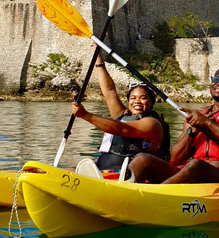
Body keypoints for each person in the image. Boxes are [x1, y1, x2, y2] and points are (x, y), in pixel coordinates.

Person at [129, 64, 219, 184]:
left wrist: (209, 124)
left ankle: (156, 196)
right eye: (215, 80)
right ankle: (127, 194)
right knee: (142, 159)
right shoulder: (196, 116)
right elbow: (175, 159)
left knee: (196, 165)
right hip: (191, 172)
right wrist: (191, 132)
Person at [72, 43, 169, 171]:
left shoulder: (152, 123)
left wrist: (85, 115)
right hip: (101, 169)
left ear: (151, 102)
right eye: (133, 98)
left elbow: (119, 129)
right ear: (128, 101)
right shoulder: (123, 115)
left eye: (143, 98)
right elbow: (109, 90)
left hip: (125, 175)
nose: (137, 102)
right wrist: (98, 58)